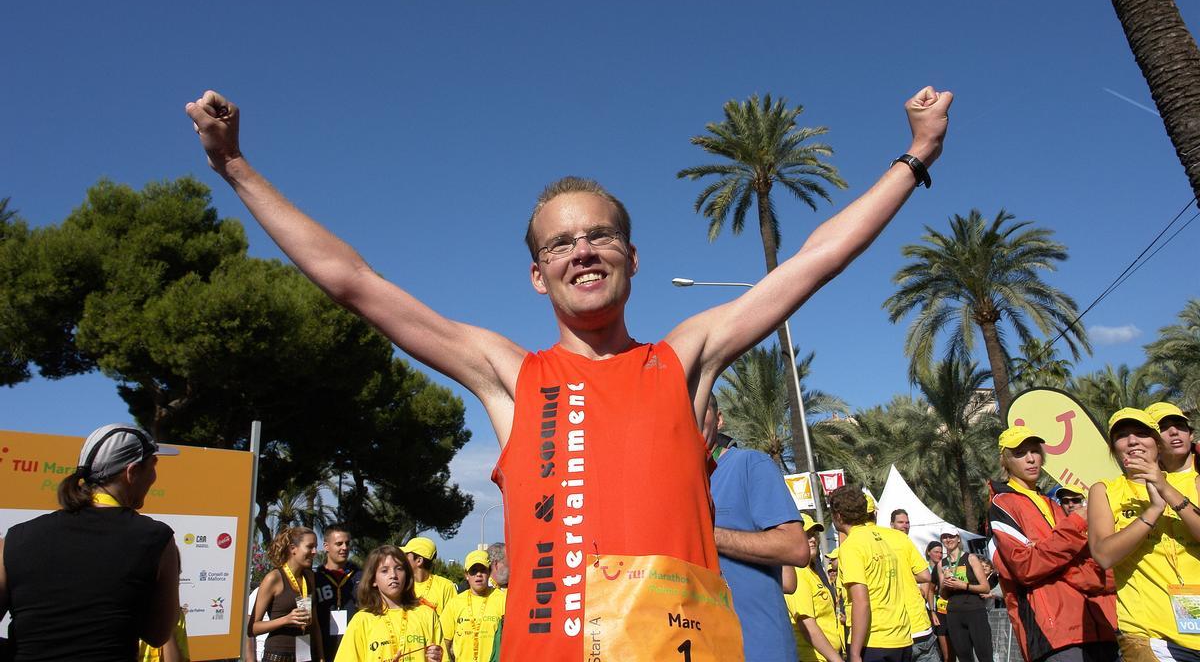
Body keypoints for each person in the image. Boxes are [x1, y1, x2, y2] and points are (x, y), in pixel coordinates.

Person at [186, 84, 952, 660]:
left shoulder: (684, 358)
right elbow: (353, 280)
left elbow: (815, 261)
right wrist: (236, 168)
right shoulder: (508, 374)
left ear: (631, 257)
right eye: (560, 244)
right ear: (537, 275)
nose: (581, 250)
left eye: (600, 236)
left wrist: (914, 157)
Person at [0, 423, 181, 662]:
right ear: (132, 472)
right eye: (153, 467)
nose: (154, 477)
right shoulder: (157, 539)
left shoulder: (15, 538)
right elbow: (158, 635)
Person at [988, 425, 1117, 662]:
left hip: (1095, 624)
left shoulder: (1052, 505)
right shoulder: (1002, 505)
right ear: (1005, 461)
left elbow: (1084, 561)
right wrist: (1076, 524)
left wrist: (1110, 579)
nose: (1030, 458)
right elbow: (1026, 567)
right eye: (1020, 453)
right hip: (1052, 631)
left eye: (1035, 451)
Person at [1088, 408, 1200, 662]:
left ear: (1157, 444)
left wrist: (1165, 489)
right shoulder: (1104, 490)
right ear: (1114, 448)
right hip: (1146, 635)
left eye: (1141, 433)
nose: (1133, 441)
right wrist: (1154, 510)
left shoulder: (1193, 483)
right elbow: (1103, 555)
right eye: (1122, 435)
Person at [710, 402, 808, 661]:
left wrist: (707, 534)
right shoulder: (679, 480)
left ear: (718, 419)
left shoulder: (749, 463)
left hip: (761, 649)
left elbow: (796, 547)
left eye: (699, 409)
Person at [829, 486, 912, 662]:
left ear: (838, 516)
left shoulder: (851, 546)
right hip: (901, 637)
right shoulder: (880, 539)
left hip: (873, 640)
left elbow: (861, 601)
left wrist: (854, 653)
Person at [335, 545, 445, 662]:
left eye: (399, 568)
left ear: (407, 575)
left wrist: (437, 658)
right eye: (384, 571)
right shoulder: (362, 621)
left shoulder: (427, 615)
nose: (393, 575)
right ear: (373, 580)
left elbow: (444, 656)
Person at [252, 526, 324, 662]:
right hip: (278, 656)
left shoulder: (310, 577)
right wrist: (286, 619)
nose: (315, 552)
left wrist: (321, 657)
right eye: (310, 547)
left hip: (306, 655)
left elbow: (315, 624)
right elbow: (252, 628)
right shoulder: (273, 578)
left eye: (316, 547)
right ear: (293, 549)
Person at [785, 514, 845, 662]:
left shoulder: (813, 571)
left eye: (813, 534)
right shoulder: (798, 573)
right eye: (806, 535)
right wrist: (836, 659)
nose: (812, 539)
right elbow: (807, 624)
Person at [875, 519, 934, 662]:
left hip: (892, 631)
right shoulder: (902, 540)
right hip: (914, 627)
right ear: (891, 524)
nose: (905, 526)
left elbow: (926, 584)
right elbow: (925, 576)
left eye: (907, 522)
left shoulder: (861, 543)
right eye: (901, 522)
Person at [441, 550, 506, 662]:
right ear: (466, 575)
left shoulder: (503, 599)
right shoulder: (454, 603)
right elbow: (444, 643)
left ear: (489, 572)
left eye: (482, 570)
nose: (478, 574)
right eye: (473, 571)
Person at [939, 531, 992, 662]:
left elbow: (985, 588)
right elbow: (943, 596)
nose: (948, 539)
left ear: (958, 539)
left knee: (985, 656)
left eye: (951, 536)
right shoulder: (942, 564)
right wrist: (945, 585)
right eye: (944, 537)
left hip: (975, 612)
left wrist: (964, 586)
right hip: (954, 614)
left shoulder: (971, 558)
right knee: (964, 658)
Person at [315, 524, 362, 659]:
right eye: (339, 544)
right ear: (326, 546)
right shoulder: (315, 579)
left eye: (347, 543)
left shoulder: (361, 577)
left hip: (353, 649)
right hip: (324, 649)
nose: (344, 548)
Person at [401, 538, 457, 615]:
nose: (402, 560)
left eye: (406, 555)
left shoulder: (445, 586)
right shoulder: (402, 585)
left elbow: (453, 618)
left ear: (419, 561)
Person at [1147, 402, 1196, 477]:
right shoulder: (1146, 482)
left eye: (1179, 425)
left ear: (1191, 435)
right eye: (1162, 427)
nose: (1174, 432)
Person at [925, 541, 953, 662]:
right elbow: (927, 590)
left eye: (941, 552)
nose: (939, 555)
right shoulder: (924, 568)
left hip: (945, 609)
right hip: (929, 610)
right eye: (936, 552)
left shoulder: (947, 566)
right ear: (928, 552)